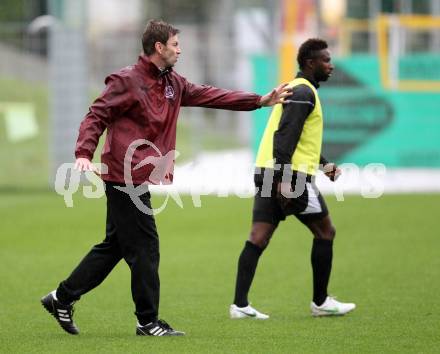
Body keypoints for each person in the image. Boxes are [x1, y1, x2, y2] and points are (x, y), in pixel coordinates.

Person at [40, 20, 291, 337]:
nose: (179, 49)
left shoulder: (173, 82)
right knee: (146, 248)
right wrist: (83, 152)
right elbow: (96, 115)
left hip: (139, 176)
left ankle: (61, 298)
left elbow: (209, 95)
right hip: (123, 175)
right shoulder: (127, 80)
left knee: (115, 245)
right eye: (175, 44)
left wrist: (258, 101)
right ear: (158, 47)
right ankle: (147, 322)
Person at [229, 38, 356, 320]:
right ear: (310, 63)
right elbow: (285, 136)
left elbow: (297, 138)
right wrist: (286, 180)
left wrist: (323, 165)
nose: (331, 65)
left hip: (267, 171)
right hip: (290, 177)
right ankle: (321, 302)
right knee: (326, 231)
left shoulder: (295, 89)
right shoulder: (303, 92)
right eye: (326, 60)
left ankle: (239, 305)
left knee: (258, 236)